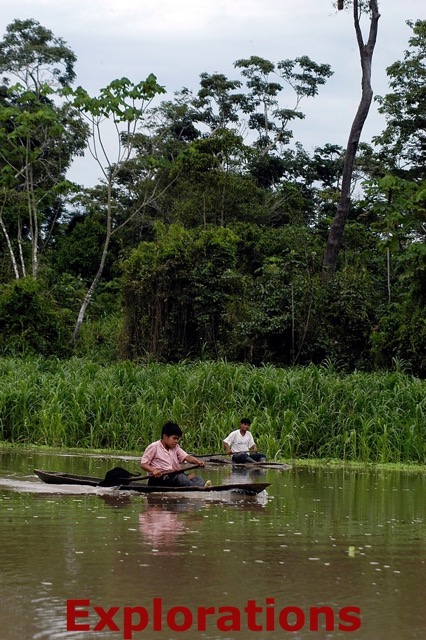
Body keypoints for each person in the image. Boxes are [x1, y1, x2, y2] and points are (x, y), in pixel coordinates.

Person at [140, 421, 211, 487]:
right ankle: (198, 488)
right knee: (180, 478)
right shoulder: (154, 447)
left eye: (177, 439)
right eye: (174, 438)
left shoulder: (175, 447)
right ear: (165, 436)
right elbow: (143, 464)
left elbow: (187, 457)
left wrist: (198, 461)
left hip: (173, 477)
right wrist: (153, 470)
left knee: (194, 477)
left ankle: (202, 486)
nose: (176, 441)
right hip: (159, 479)